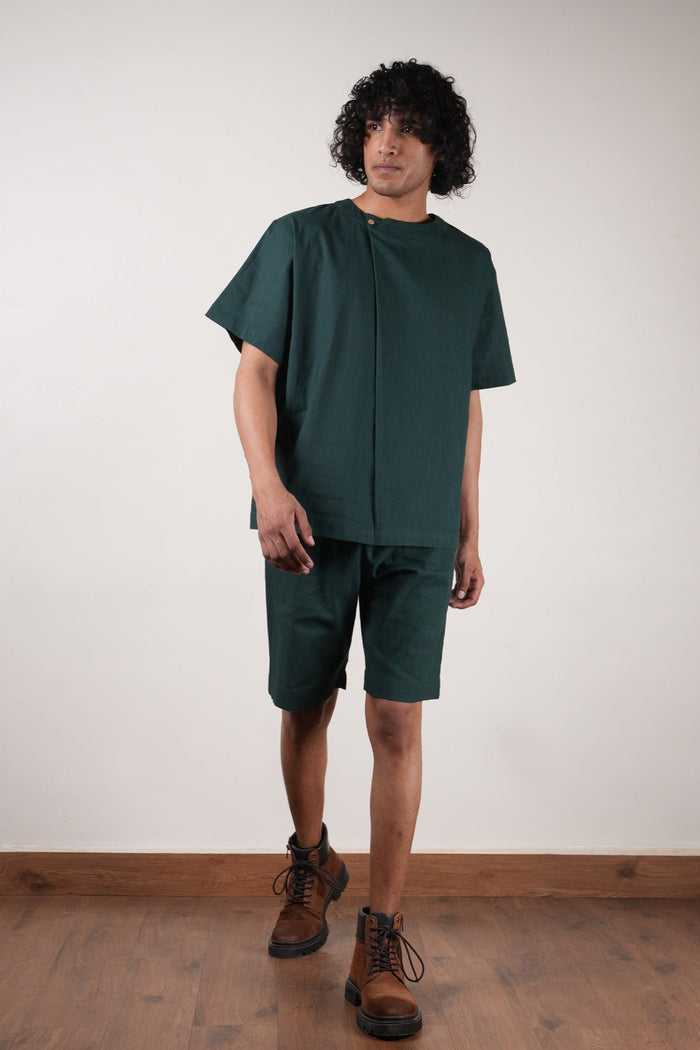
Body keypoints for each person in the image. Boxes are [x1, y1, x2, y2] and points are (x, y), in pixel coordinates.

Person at [205, 57, 516, 1040]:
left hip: (417, 531)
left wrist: (469, 525)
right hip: (308, 519)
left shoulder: (467, 265)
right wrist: (268, 487)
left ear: (440, 149)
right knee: (304, 700)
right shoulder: (300, 240)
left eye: (410, 127)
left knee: (396, 722)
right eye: (375, 124)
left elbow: (467, 405)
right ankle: (311, 863)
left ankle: (379, 938)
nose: (388, 141)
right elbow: (254, 374)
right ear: (357, 137)